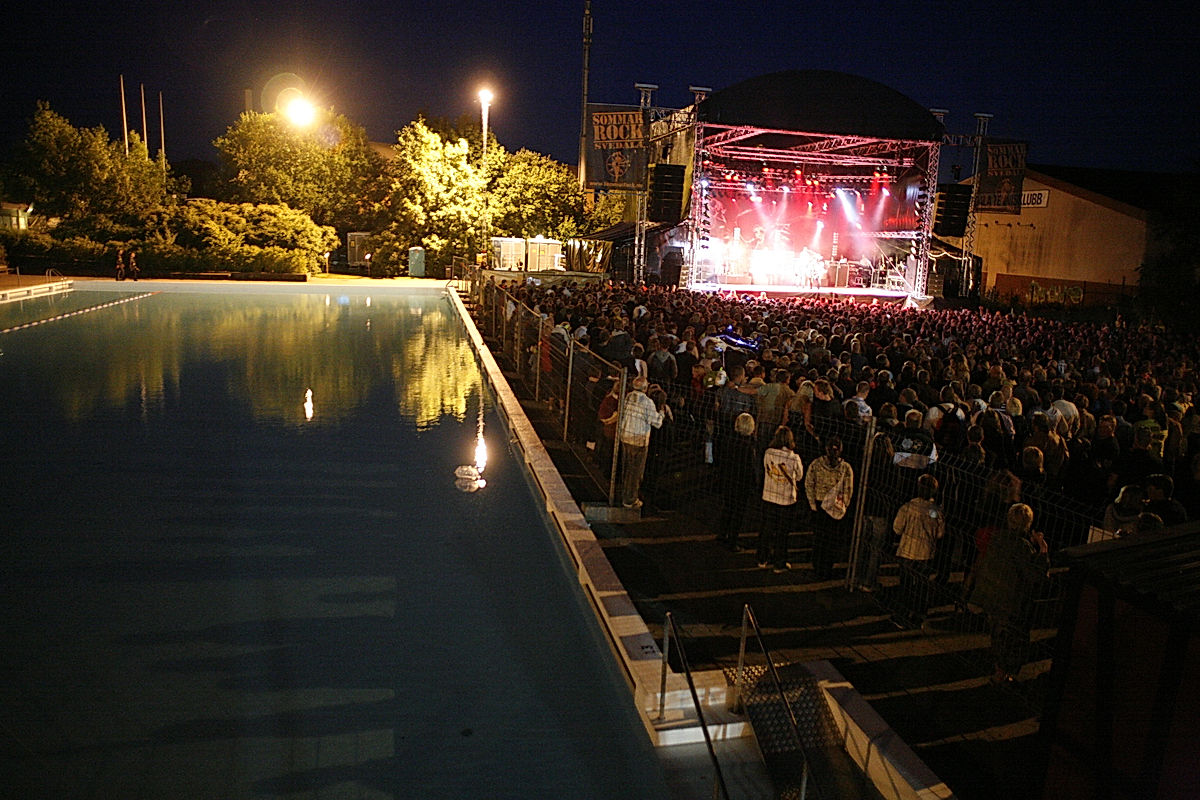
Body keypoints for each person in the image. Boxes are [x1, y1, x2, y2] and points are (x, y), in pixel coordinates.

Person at [969, 503, 1049, 684]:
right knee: (1012, 638)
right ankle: (1006, 672)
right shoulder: (1022, 546)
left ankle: (999, 670)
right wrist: (1042, 549)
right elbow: (1034, 575)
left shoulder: (997, 538)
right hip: (1011, 601)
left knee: (997, 635)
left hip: (992, 595)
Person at [892, 474, 945, 627]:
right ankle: (919, 615)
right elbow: (940, 532)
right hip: (926, 552)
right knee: (922, 586)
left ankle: (901, 614)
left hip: (908, 551)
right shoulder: (934, 511)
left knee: (905, 585)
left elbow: (897, 528)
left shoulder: (908, 507)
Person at [804, 435, 854, 580]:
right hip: (836, 507)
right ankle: (828, 567)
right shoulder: (846, 468)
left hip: (820, 505)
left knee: (819, 537)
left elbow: (809, 484)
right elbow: (848, 489)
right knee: (832, 539)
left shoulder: (816, 464)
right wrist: (844, 505)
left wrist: (812, 504)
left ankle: (817, 566)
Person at [759, 426, 804, 572]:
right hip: (786, 500)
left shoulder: (768, 453)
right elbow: (799, 476)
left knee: (767, 529)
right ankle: (779, 562)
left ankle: (762, 558)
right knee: (782, 532)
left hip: (769, 496)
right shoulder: (793, 458)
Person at [617, 376, 665, 510]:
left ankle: (624, 494)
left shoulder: (627, 397)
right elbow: (656, 422)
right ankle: (630, 500)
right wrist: (661, 412)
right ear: (644, 388)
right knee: (635, 472)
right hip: (639, 439)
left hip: (625, 435)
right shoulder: (647, 402)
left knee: (626, 468)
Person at [718, 413, 760, 551]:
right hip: (742, 484)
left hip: (728, 480)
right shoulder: (748, 446)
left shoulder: (729, 440)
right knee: (738, 513)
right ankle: (732, 541)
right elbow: (751, 467)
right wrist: (755, 484)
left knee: (728, 508)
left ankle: (722, 534)